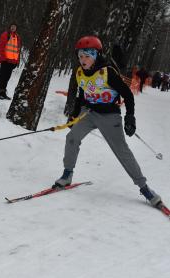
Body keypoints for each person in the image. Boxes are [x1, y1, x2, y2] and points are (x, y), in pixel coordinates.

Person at [54, 35, 162, 208]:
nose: (83, 60)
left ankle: (145, 188)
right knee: (71, 138)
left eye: (87, 56)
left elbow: (127, 95)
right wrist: (74, 117)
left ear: (96, 55)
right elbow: (81, 95)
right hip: (88, 112)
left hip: (109, 115)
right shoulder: (80, 72)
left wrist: (130, 117)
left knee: (122, 151)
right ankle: (67, 174)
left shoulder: (107, 72)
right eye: (80, 56)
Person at [0, 23, 22, 100]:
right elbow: (1, 47)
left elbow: (17, 50)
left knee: (7, 77)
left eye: (15, 27)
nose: (13, 28)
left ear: (16, 28)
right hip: (5, 60)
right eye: (12, 27)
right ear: (9, 27)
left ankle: (3, 93)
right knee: (2, 76)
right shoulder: (5, 34)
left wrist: (16, 61)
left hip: (12, 61)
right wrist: (3, 58)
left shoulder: (17, 37)